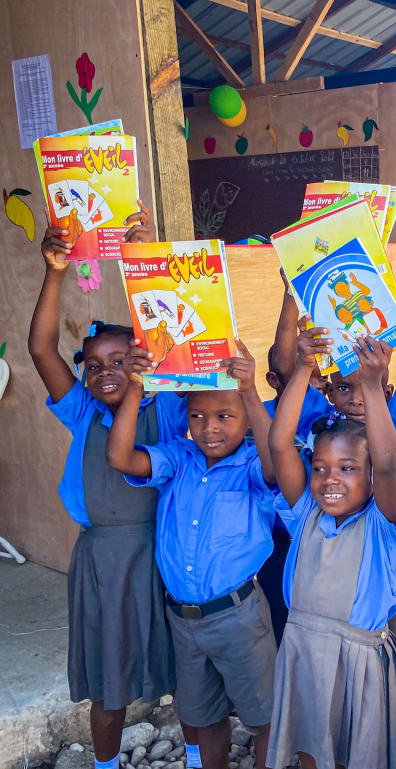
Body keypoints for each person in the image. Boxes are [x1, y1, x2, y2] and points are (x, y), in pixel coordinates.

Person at [28, 204, 204, 769]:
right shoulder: (83, 412)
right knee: (108, 682)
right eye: (95, 364)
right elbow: (39, 350)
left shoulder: (172, 408)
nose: (108, 372)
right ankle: (105, 765)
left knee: (190, 673)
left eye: (123, 360)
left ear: (144, 362)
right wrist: (55, 271)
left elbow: (167, 334)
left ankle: (203, 758)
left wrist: (143, 261)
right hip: (104, 562)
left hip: (168, 551)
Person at [106, 340, 279, 769]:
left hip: (239, 618)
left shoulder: (253, 466)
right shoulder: (178, 458)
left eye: (225, 416)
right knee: (204, 718)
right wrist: (134, 385)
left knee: (264, 718)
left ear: (245, 419)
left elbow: (281, 465)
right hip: (184, 620)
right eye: (197, 416)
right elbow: (120, 457)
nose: (209, 428)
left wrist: (251, 392)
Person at [265, 328, 396, 769]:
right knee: (313, 747)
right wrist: (303, 368)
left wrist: (372, 385)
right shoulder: (305, 515)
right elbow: (279, 444)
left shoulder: (381, 523)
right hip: (303, 650)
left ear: (371, 478)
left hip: (359, 659)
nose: (331, 478)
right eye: (320, 468)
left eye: (349, 468)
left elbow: (389, 461)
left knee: (358, 753)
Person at [321, 321, 396, 745]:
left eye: (364, 387)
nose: (355, 399)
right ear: (329, 394)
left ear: (384, 392)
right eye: (343, 389)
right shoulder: (327, 438)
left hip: (386, 575)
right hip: (337, 584)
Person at [259, 271, 332, 643]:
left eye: (320, 377)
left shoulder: (323, 408)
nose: (315, 382)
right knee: (281, 629)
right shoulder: (263, 416)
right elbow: (288, 361)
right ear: (274, 380)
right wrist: (291, 292)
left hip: (317, 539)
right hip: (278, 545)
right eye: (308, 374)